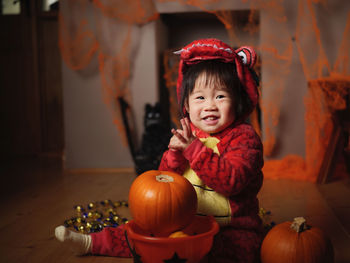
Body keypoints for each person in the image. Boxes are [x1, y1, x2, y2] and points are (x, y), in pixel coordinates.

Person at [55, 38, 263, 263]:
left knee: (232, 250)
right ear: (186, 106)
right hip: (185, 223)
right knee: (142, 235)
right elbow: (166, 184)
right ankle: (91, 242)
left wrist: (192, 150)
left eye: (220, 96)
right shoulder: (188, 134)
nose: (210, 105)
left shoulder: (244, 138)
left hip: (229, 229)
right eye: (200, 97)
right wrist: (174, 155)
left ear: (238, 101)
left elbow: (232, 181)